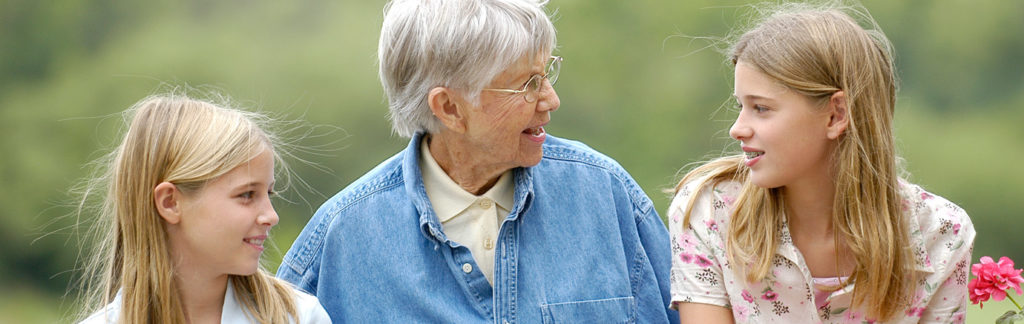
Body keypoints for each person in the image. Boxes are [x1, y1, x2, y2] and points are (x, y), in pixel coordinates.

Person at [276, 0, 677, 322]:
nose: (551, 100)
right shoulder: (340, 240)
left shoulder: (606, 193)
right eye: (528, 84)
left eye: (547, 73)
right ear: (449, 107)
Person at [667, 4, 975, 324]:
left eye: (761, 108)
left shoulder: (941, 233)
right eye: (741, 106)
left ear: (835, 114)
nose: (737, 128)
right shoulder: (709, 210)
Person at [76, 94, 331, 323]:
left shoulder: (299, 317)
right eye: (247, 194)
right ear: (169, 202)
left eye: (269, 193)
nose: (271, 216)